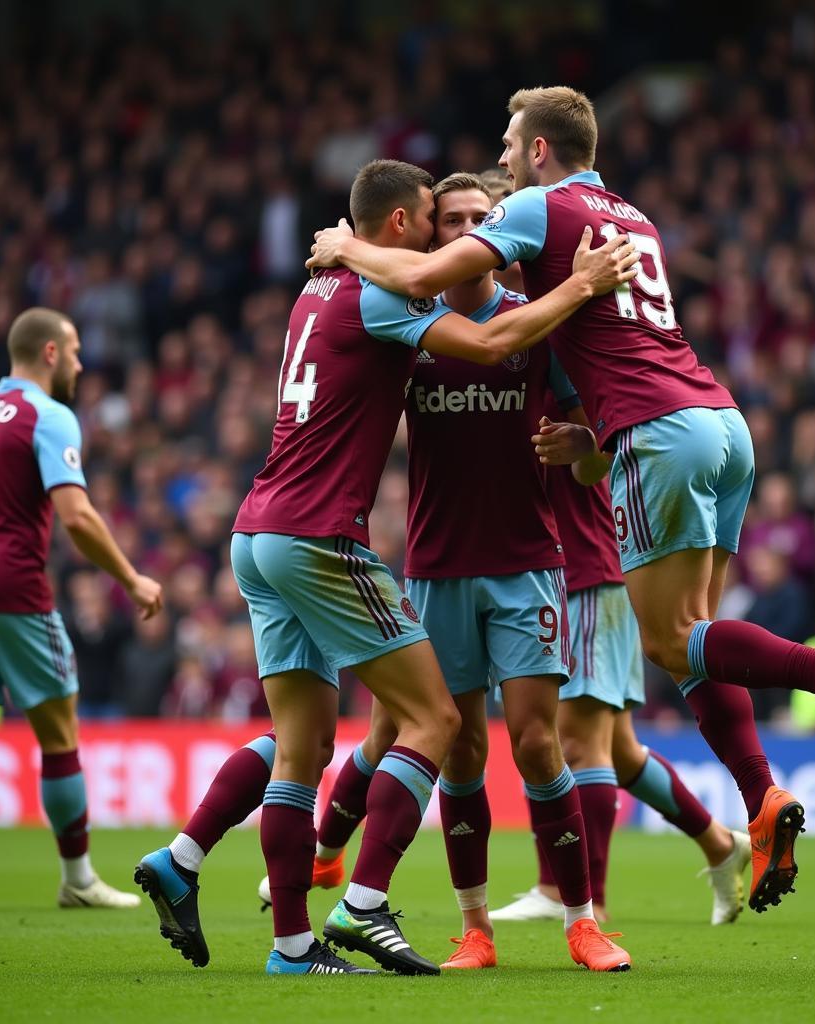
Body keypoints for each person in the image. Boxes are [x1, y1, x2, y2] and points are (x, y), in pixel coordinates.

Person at [308, 87, 815, 914]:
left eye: (510, 145)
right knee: (701, 645)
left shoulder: (542, 206)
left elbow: (433, 273)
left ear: (541, 150)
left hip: (657, 434)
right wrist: (586, 442)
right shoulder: (632, 216)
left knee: (671, 641)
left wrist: (346, 245)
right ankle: (759, 800)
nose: (504, 160)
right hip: (721, 422)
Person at [134, 159, 636, 977]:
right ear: (412, 228)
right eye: (447, 217)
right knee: (434, 726)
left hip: (262, 531)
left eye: (484, 219)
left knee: (302, 745)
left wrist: (583, 448)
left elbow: (578, 439)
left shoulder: (318, 291)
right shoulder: (393, 303)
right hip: (330, 537)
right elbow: (485, 341)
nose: (469, 231)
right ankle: (366, 903)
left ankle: (241, 905)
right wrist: (579, 284)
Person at [489, 412, 750, 926]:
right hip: (579, 574)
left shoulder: (562, 375)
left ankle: (579, 894)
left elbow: (595, 461)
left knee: (576, 741)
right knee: (620, 752)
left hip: (586, 575)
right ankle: (720, 845)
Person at [0, 307, 163, 912]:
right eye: (71, 350)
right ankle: (77, 877)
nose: (78, 361)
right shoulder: (47, 416)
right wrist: (131, 578)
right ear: (47, 353)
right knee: (59, 734)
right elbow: (75, 515)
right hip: (12, 591)